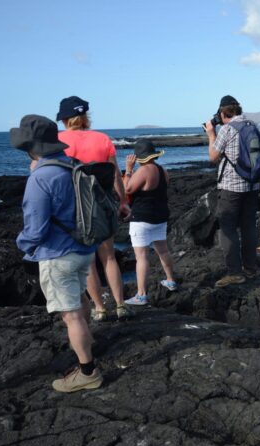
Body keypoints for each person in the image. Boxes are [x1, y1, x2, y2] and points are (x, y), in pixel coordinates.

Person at [11, 114, 102, 393]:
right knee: (79, 297)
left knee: (70, 314)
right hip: (85, 248)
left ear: (31, 146)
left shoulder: (41, 178)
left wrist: (22, 245)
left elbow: (35, 229)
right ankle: (87, 340)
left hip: (58, 253)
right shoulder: (73, 164)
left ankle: (88, 372)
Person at [56, 96, 132, 320]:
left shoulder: (59, 141)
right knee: (109, 257)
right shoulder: (103, 139)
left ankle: (99, 308)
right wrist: (123, 201)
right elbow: (115, 173)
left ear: (66, 119)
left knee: (88, 260)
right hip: (104, 204)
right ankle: (120, 305)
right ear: (85, 116)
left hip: (76, 208)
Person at [205, 95, 259, 288]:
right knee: (248, 226)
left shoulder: (227, 129)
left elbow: (213, 156)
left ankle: (235, 273)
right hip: (252, 185)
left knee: (227, 229)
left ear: (222, 112)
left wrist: (211, 134)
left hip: (231, 188)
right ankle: (250, 268)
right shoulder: (251, 125)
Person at [122, 139, 178, 305]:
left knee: (142, 257)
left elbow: (127, 190)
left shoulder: (143, 170)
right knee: (163, 251)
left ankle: (141, 294)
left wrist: (129, 170)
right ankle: (170, 280)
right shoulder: (162, 170)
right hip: (160, 217)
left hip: (142, 219)